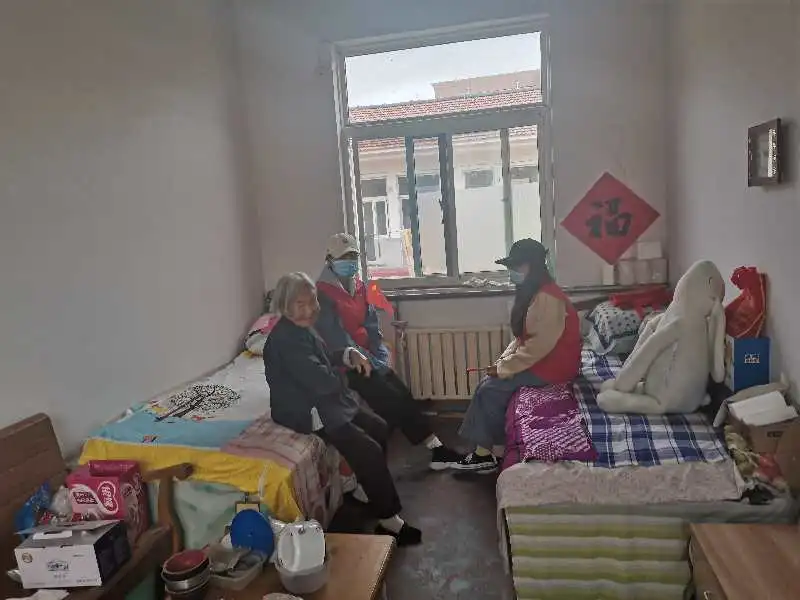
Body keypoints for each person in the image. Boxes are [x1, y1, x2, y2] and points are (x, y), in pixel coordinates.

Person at [263, 272, 421, 546]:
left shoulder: (302, 328)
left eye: (312, 302)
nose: (310, 309)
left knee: (379, 428)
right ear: (285, 306)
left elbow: (324, 359)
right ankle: (388, 519)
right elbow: (321, 381)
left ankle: (365, 487)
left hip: (324, 400)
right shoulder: (285, 340)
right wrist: (348, 377)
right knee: (368, 450)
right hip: (307, 412)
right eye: (301, 304)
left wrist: (349, 353)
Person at [315, 233, 464, 470]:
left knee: (401, 391)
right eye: (344, 257)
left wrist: (380, 353)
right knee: (389, 396)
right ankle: (435, 449)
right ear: (330, 260)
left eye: (353, 256)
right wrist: (367, 360)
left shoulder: (360, 287)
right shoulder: (321, 294)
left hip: (367, 356)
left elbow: (372, 325)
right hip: (344, 362)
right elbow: (336, 339)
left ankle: (434, 447)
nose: (350, 262)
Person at [455, 239, 582, 473]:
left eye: (517, 266)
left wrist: (504, 368)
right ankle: (485, 450)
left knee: (489, 389)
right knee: (488, 383)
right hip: (543, 360)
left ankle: (486, 453)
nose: (512, 272)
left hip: (554, 367)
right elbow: (522, 339)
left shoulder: (548, 298)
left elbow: (538, 346)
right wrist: (502, 363)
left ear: (533, 266)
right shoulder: (533, 293)